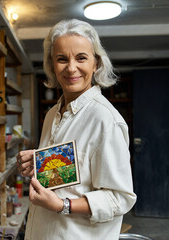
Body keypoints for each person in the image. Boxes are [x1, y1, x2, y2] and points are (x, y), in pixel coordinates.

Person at [16, 19, 136, 240]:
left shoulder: (105, 119)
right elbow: (73, 174)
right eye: (62, 59)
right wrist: (41, 163)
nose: (71, 68)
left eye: (81, 58)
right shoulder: (53, 114)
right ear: (52, 65)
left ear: (96, 64)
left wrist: (63, 205)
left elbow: (119, 198)